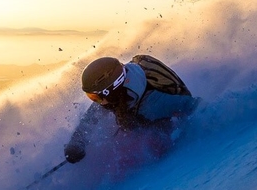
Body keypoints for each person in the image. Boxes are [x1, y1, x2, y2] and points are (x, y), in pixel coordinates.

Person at [64, 55, 199, 164]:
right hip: (138, 111)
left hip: (161, 123)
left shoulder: (152, 104)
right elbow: (91, 118)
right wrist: (77, 143)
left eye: (94, 96)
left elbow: (193, 106)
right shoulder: (118, 93)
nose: (96, 102)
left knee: (139, 145)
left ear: (110, 91)